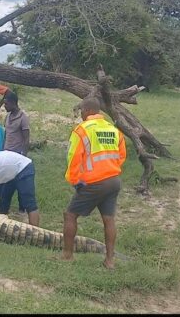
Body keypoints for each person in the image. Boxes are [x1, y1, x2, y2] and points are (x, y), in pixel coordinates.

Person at [61, 97, 126, 269]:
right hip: (114, 180)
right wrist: (110, 169)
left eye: (82, 110)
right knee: (108, 219)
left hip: (94, 182)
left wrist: (75, 180)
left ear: (88, 110)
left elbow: (73, 157)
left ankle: (67, 255)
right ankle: (110, 261)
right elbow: (121, 156)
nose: (81, 113)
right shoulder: (113, 129)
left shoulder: (82, 130)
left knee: (70, 215)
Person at [3, 91, 30, 215]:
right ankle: (4, 208)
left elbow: (26, 139)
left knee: (19, 182)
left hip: (17, 154)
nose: (4, 106)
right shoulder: (7, 117)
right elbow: (6, 134)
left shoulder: (23, 118)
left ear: (13, 103)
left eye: (6, 103)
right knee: (6, 181)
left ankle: (22, 208)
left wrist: (23, 155)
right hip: (7, 153)